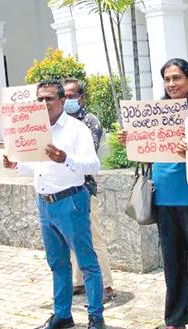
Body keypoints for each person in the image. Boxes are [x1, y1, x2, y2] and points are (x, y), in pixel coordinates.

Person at [118, 58, 188, 329]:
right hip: (164, 197)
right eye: (167, 79)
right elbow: (142, 153)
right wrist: (130, 139)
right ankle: (175, 319)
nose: (172, 84)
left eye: (177, 78)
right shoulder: (157, 113)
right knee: (172, 261)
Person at [2, 80, 105, 329]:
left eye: (48, 98)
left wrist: (66, 159)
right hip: (44, 202)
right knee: (57, 263)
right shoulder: (35, 129)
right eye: (39, 99)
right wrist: (16, 165)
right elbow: (37, 167)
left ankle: (95, 316)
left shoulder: (76, 129)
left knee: (86, 262)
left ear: (62, 100)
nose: (43, 104)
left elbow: (93, 165)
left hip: (70, 201)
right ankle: (62, 314)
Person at [62, 78, 116, 302]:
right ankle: (79, 281)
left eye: (71, 95)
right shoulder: (60, 121)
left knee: (93, 236)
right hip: (63, 187)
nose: (67, 100)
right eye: (64, 95)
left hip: (84, 187)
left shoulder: (89, 121)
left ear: (81, 97)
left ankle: (106, 284)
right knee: (72, 237)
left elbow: (87, 154)